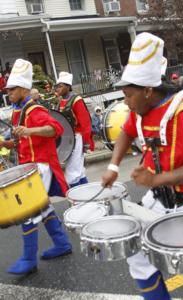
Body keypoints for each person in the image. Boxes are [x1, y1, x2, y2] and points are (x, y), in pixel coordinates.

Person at [102, 32, 183, 299]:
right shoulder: (139, 111)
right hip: (158, 200)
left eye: (127, 95)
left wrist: (155, 179)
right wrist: (113, 167)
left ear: (148, 90)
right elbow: (125, 133)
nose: (125, 102)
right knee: (138, 259)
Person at [0, 59, 72, 275]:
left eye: (12, 90)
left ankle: (29, 258)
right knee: (44, 207)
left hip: (41, 166)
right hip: (29, 167)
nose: (8, 93)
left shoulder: (34, 110)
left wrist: (29, 131)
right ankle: (62, 244)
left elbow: (55, 129)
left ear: (22, 89)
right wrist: (10, 142)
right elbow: (23, 138)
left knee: (28, 211)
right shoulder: (18, 111)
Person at [55, 72, 94, 188]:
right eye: (57, 86)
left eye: (61, 86)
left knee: (72, 172)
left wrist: (86, 142)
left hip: (77, 138)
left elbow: (85, 122)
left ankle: (78, 200)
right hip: (67, 139)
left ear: (68, 86)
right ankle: (88, 196)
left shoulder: (76, 100)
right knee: (79, 170)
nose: (58, 88)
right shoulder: (60, 101)